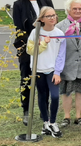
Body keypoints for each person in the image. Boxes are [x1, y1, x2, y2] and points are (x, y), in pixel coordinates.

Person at [12, 0, 54, 125]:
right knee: (27, 79)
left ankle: (45, 111)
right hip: (27, 48)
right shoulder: (18, 5)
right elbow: (19, 29)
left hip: (45, 46)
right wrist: (29, 44)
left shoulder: (46, 1)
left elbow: (52, 20)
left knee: (43, 80)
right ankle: (26, 111)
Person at [26, 7, 65, 138]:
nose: (53, 18)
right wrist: (43, 43)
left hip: (52, 71)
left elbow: (61, 54)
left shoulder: (60, 33)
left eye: (54, 15)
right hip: (38, 69)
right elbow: (30, 51)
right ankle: (46, 123)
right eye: (49, 16)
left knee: (54, 96)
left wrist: (57, 72)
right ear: (42, 19)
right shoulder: (35, 32)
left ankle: (53, 122)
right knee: (42, 96)